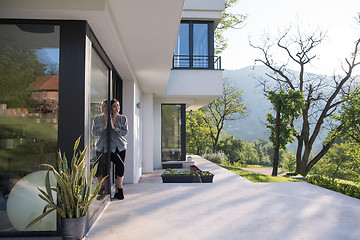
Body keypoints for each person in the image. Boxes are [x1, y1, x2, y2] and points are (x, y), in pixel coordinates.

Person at [92, 99, 128, 200]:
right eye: (114, 106)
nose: (117, 107)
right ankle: (103, 189)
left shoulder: (122, 118)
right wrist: (103, 128)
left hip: (120, 147)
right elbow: (94, 133)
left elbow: (124, 133)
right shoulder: (97, 119)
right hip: (103, 147)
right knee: (99, 168)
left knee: (119, 167)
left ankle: (118, 190)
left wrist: (114, 127)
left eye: (118, 105)